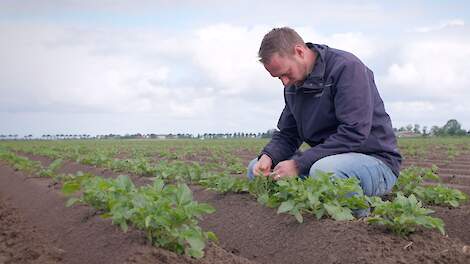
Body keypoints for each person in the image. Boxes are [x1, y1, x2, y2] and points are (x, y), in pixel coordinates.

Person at [247, 27, 402, 198]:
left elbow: (354, 132)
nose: (284, 83)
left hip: (373, 161)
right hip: (325, 161)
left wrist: (299, 165)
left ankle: (354, 216)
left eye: (286, 73)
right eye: (278, 78)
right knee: (256, 169)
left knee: (325, 171)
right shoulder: (294, 84)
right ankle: (308, 199)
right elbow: (288, 133)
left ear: (299, 51)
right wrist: (269, 156)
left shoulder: (347, 68)